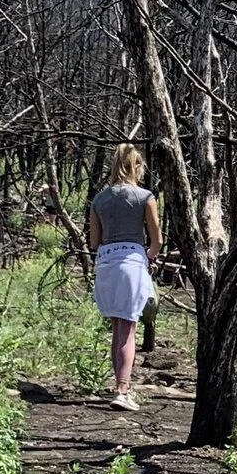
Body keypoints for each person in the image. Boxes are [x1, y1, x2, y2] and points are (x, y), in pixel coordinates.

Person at [87, 144, 162, 412]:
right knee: (129, 331)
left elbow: (94, 241)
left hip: (106, 263)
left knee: (118, 330)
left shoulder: (99, 200)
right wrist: (150, 258)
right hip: (131, 262)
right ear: (136, 166)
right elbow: (157, 239)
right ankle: (123, 390)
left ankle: (119, 384)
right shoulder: (145, 197)